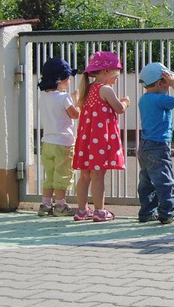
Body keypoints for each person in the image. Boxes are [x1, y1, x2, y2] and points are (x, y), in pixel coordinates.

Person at [72, 51, 130, 222]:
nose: (117, 77)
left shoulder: (88, 89)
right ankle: (99, 211)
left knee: (84, 176)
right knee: (98, 176)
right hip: (100, 140)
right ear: (106, 71)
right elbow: (119, 108)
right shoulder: (105, 89)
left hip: (87, 140)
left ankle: (81, 211)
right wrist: (126, 102)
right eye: (116, 73)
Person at [137, 62, 174, 225]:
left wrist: (170, 82)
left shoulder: (143, 99)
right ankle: (166, 213)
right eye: (167, 83)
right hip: (158, 146)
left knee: (146, 181)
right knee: (165, 181)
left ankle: (146, 212)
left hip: (144, 145)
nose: (169, 86)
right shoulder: (160, 99)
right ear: (160, 83)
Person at [37, 58, 80, 217]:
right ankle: (60, 206)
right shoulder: (64, 97)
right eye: (68, 77)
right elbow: (75, 114)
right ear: (60, 79)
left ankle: (45, 205)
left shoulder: (43, 96)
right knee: (62, 174)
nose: (69, 81)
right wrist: (77, 101)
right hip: (63, 142)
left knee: (50, 174)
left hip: (47, 142)